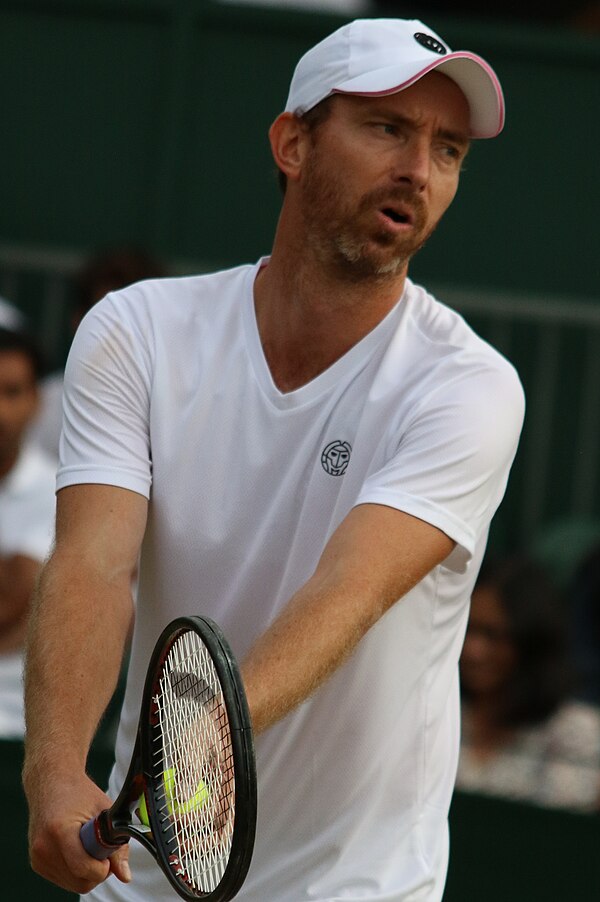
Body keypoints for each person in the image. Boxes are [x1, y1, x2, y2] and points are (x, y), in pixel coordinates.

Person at [23, 18, 525, 902]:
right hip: (140, 876)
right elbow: (95, 565)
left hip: (356, 886)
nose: (420, 168)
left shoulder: (470, 389)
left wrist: (188, 756)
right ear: (292, 142)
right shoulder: (136, 333)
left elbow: (348, 591)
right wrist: (55, 771)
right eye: (387, 129)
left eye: (448, 149)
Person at [456, 555, 600, 813]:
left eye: (492, 634)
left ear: (530, 641)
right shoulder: (436, 713)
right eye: (467, 630)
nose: (473, 650)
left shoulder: (576, 732)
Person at [28, 245, 167, 460]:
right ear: (77, 321)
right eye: (105, 319)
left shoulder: (179, 412)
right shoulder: (42, 405)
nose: (121, 337)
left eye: (136, 324)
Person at [0, 327, 56, 738]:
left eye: (12, 391)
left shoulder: (61, 493)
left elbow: (16, 600)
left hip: (18, 733)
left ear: (37, 400)